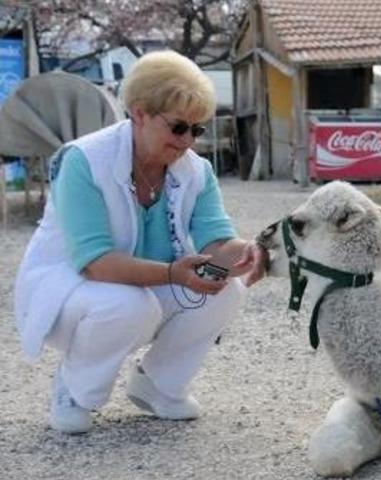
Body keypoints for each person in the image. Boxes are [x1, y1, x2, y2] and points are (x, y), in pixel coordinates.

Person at [13, 51, 267, 434]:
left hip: (155, 285)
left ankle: (159, 386)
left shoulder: (197, 171)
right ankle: (74, 385)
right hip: (75, 290)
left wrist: (247, 251)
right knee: (129, 304)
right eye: (179, 127)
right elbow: (95, 262)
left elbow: (215, 244)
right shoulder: (82, 160)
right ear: (139, 113)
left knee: (227, 288)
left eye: (197, 130)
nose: (188, 142)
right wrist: (172, 273)